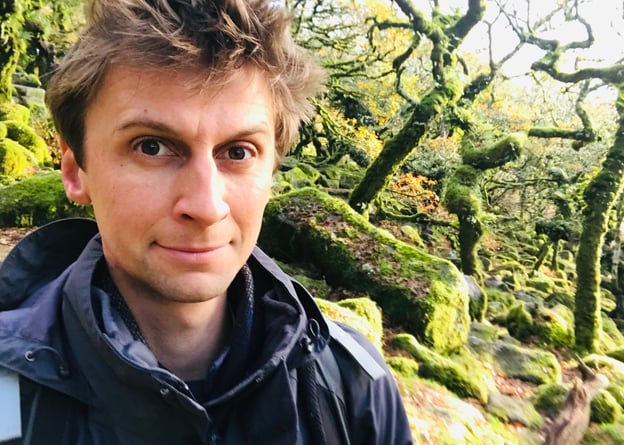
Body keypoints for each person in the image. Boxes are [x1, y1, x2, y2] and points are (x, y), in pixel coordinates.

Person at [0, 0, 413, 444]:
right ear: (75, 170)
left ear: (272, 171)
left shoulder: (354, 387)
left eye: (238, 152)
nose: (205, 205)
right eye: (152, 147)